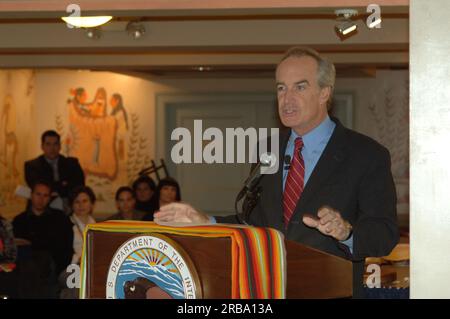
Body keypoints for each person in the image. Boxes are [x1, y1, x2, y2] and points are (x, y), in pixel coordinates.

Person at [154, 46, 399, 298]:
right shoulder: (267, 149)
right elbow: (256, 222)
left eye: (299, 87)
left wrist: (346, 232)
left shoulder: (366, 155)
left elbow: (385, 235)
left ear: (325, 92)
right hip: (268, 292)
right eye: (281, 88)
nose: (287, 98)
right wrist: (207, 221)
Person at [13, 181, 73, 298]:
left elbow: (65, 247)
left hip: (54, 267)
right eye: (38, 194)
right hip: (27, 267)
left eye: (45, 196)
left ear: (50, 198)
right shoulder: (19, 220)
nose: (41, 199)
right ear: (31, 195)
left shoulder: (60, 218)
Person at [24, 130, 85, 213]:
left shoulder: (72, 164)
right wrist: (64, 184)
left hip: (70, 210)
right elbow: (39, 187)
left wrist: (54, 188)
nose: (52, 148)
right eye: (48, 144)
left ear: (60, 146)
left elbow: (79, 186)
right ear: (42, 146)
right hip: (42, 211)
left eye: (55, 144)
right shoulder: (32, 166)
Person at [60, 185, 97, 299]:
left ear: (92, 204)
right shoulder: (64, 224)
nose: (81, 205)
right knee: (80, 280)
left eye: (85, 201)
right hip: (71, 267)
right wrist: (79, 259)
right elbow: (61, 253)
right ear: (72, 205)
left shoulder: (97, 225)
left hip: (93, 267)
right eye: (77, 202)